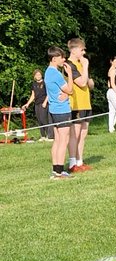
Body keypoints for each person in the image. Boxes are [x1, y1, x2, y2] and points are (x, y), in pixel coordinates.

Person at [44, 47, 74, 179]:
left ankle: (55, 170)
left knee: (57, 140)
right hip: (61, 110)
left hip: (53, 110)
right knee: (63, 140)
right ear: (54, 59)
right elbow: (70, 90)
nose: (64, 59)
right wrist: (70, 74)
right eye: (62, 57)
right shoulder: (55, 73)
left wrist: (66, 95)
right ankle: (59, 171)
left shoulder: (47, 72)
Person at [66, 37, 93, 172]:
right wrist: (86, 67)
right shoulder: (69, 65)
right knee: (74, 135)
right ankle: (72, 163)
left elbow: (90, 83)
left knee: (83, 134)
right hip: (75, 104)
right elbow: (82, 82)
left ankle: (80, 161)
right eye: (82, 50)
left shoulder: (81, 63)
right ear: (74, 49)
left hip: (86, 103)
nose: (84, 53)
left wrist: (85, 71)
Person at [23, 69, 51, 139]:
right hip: (37, 103)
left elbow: (49, 93)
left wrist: (45, 102)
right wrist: (27, 104)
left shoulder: (45, 83)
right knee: (39, 120)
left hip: (44, 103)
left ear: (41, 75)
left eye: (39, 74)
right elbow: (33, 95)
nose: (38, 76)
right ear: (34, 76)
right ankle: (43, 136)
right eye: (36, 75)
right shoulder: (34, 84)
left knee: (44, 119)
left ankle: (49, 135)